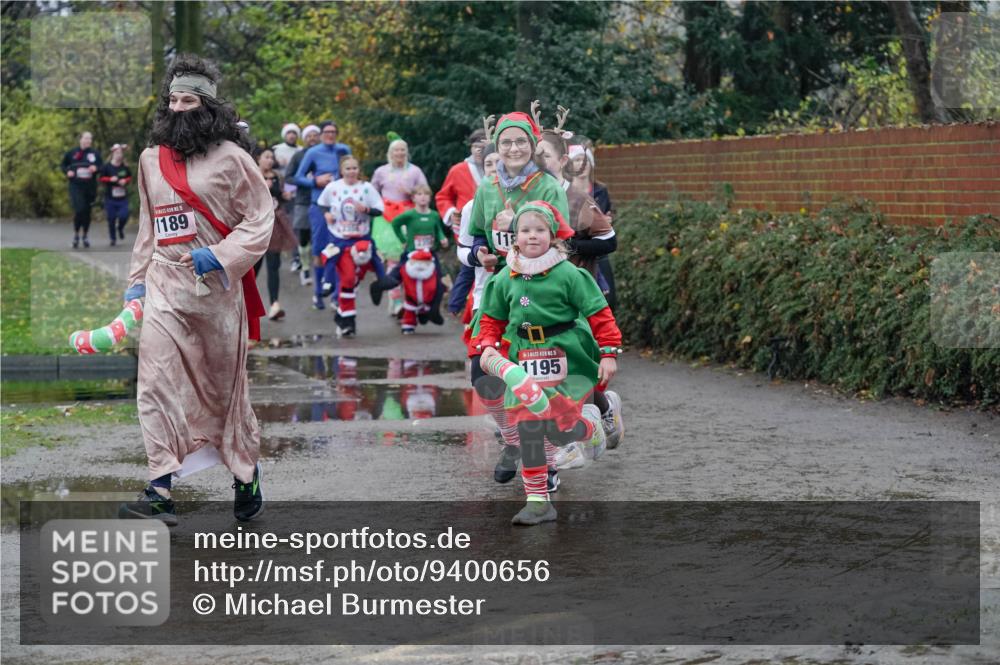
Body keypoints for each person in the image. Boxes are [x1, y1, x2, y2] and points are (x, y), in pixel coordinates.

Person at [119, 54, 273, 526]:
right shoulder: (149, 160)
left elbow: (260, 217)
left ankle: (245, 475)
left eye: (189, 99)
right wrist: (136, 283)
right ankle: (160, 491)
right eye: (173, 99)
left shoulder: (233, 158)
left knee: (222, 390)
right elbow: (148, 226)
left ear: (207, 106)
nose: (179, 107)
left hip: (216, 293)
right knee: (155, 384)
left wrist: (223, 255)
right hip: (165, 284)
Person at [474, 202, 622, 525]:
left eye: (540, 230)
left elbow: (599, 312)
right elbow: (491, 319)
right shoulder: (505, 277)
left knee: (560, 428)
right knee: (529, 426)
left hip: (567, 352)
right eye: (525, 230)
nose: (532, 236)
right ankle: (539, 503)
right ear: (515, 237)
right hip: (524, 354)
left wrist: (609, 353)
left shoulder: (569, 273)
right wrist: (487, 345)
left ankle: (593, 423)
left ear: (552, 235)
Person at [464, 112, 570, 481]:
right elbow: (477, 233)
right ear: (498, 146)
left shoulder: (549, 186)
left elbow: (561, 237)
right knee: (482, 373)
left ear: (532, 146)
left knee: (542, 382)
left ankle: (550, 466)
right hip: (500, 290)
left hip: (541, 291)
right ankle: (511, 440)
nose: (513, 148)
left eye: (521, 141)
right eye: (507, 142)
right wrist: (481, 253)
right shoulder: (487, 187)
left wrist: (521, 223)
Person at [314, 155, 385, 336]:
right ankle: (348, 322)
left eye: (354, 168)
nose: (352, 172)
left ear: (359, 170)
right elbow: (321, 203)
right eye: (348, 168)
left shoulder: (367, 188)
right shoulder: (333, 187)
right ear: (341, 171)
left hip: (362, 241)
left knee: (354, 281)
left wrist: (366, 209)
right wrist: (326, 215)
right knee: (346, 280)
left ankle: (342, 314)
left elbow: (380, 210)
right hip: (341, 240)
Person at [293, 121, 352, 306]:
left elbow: (351, 170)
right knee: (319, 249)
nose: (330, 135)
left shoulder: (343, 149)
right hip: (319, 205)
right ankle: (318, 293)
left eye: (334, 132)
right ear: (321, 134)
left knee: (338, 248)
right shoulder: (313, 152)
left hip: (341, 205)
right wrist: (316, 181)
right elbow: (298, 177)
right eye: (327, 131)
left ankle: (336, 294)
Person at [253, 146, 296, 321]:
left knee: (273, 265)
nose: (270, 160)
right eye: (267, 157)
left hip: (275, 223)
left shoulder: (278, 176)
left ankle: (274, 304)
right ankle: (244, 305)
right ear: (258, 159)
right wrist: (263, 186)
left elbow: (280, 196)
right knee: (253, 268)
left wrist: (285, 196)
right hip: (255, 225)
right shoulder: (251, 174)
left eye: (272, 157)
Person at [436, 128, 488, 236]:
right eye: (475, 146)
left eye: (482, 147)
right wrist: (451, 213)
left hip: (493, 225)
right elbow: (443, 197)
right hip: (465, 225)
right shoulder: (457, 170)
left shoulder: (499, 168)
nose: (478, 151)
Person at [286, 124, 320, 286]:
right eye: (309, 136)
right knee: (304, 236)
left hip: (323, 201)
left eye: (315, 135)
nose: (312, 138)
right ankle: (305, 268)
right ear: (304, 139)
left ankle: (324, 271)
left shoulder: (326, 154)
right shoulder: (299, 156)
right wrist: (307, 181)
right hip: (303, 200)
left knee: (321, 237)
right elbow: (289, 177)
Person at [61, 131, 102, 248]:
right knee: (79, 209)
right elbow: (63, 165)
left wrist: (96, 168)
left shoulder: (94, 154)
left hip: (89, 187)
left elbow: (101, 166)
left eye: (90, 139)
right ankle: (76, 234)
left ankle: (85, 235)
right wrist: (67, 171)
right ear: (80, 139)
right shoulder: (72, 153)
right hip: (76, 186)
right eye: (86, 138)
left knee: (87, 212)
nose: (88, 141)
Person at [98, 143, 131, 246]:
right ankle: (113, 238)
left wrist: (125, 181)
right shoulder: (106, 167)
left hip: (122, 198)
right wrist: (110, 179)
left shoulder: (124, 166)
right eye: (117, 153)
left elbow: (130, 177)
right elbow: (101, 178)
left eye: (120, 153)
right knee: (111, 219)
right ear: (113, 153)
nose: (119, 155)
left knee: (124, 216)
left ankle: (120, 228)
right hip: (110, 198)